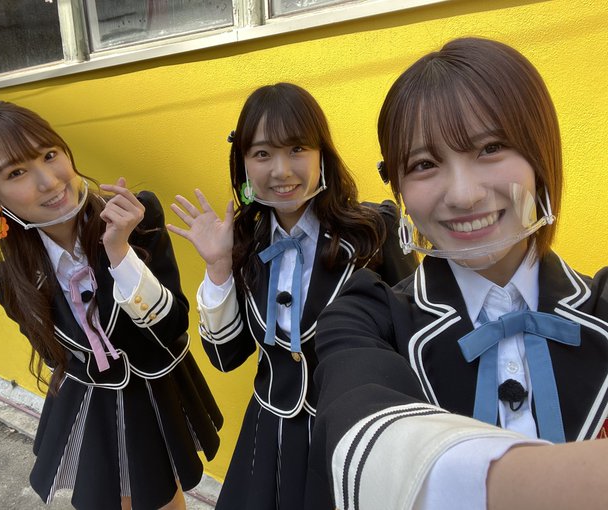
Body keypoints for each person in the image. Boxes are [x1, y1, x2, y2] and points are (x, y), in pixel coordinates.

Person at [309, 37, 608, 510]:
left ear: (541, 157)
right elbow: (364, 439)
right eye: (425, 164)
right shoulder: (366, 318)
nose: (464, 195)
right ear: (399, 186)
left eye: (491, 148)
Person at [0, 101, 223, 510]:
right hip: (91, 404)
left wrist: (121, 255)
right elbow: (56, 356)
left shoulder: (137, 219)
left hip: (153, 393)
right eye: (16, 173)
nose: (49, 182)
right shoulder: (10, 279)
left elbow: (172, 327)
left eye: (49, 154)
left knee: (162, 498)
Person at [166, 83, 417, 509]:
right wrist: (218, 266)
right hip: (270, 437)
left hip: (349, 435)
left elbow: (411, 343)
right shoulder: (241, 242)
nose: (281, 170)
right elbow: (226, 357)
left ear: (322, 155)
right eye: (263, 154)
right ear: (244, 164)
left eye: (297, 148)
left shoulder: (374, 231)